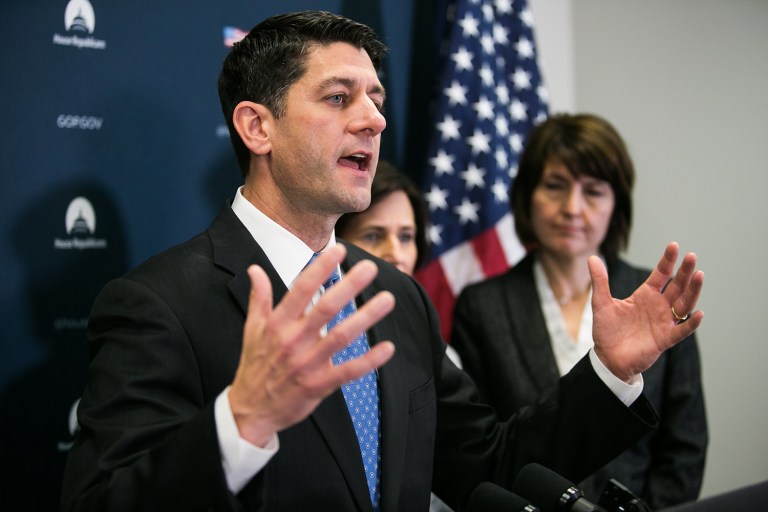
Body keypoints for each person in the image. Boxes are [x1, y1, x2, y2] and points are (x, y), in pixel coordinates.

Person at [60, 12, 705, 512]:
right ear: (258, 128)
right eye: (339, 98)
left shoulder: (395, 298)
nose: (373, 119)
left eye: (374, 98)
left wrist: (611, 374)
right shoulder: (159, 303)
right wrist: (241, 422)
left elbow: (489, 467)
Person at [451, 113, 708, 509]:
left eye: (593, 191)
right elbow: (485, 444)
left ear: (616, 204)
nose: (572, 208)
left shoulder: (657, 302)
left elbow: (684, 448)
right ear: (527, 197)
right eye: (555, 186)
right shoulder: (482, 305)